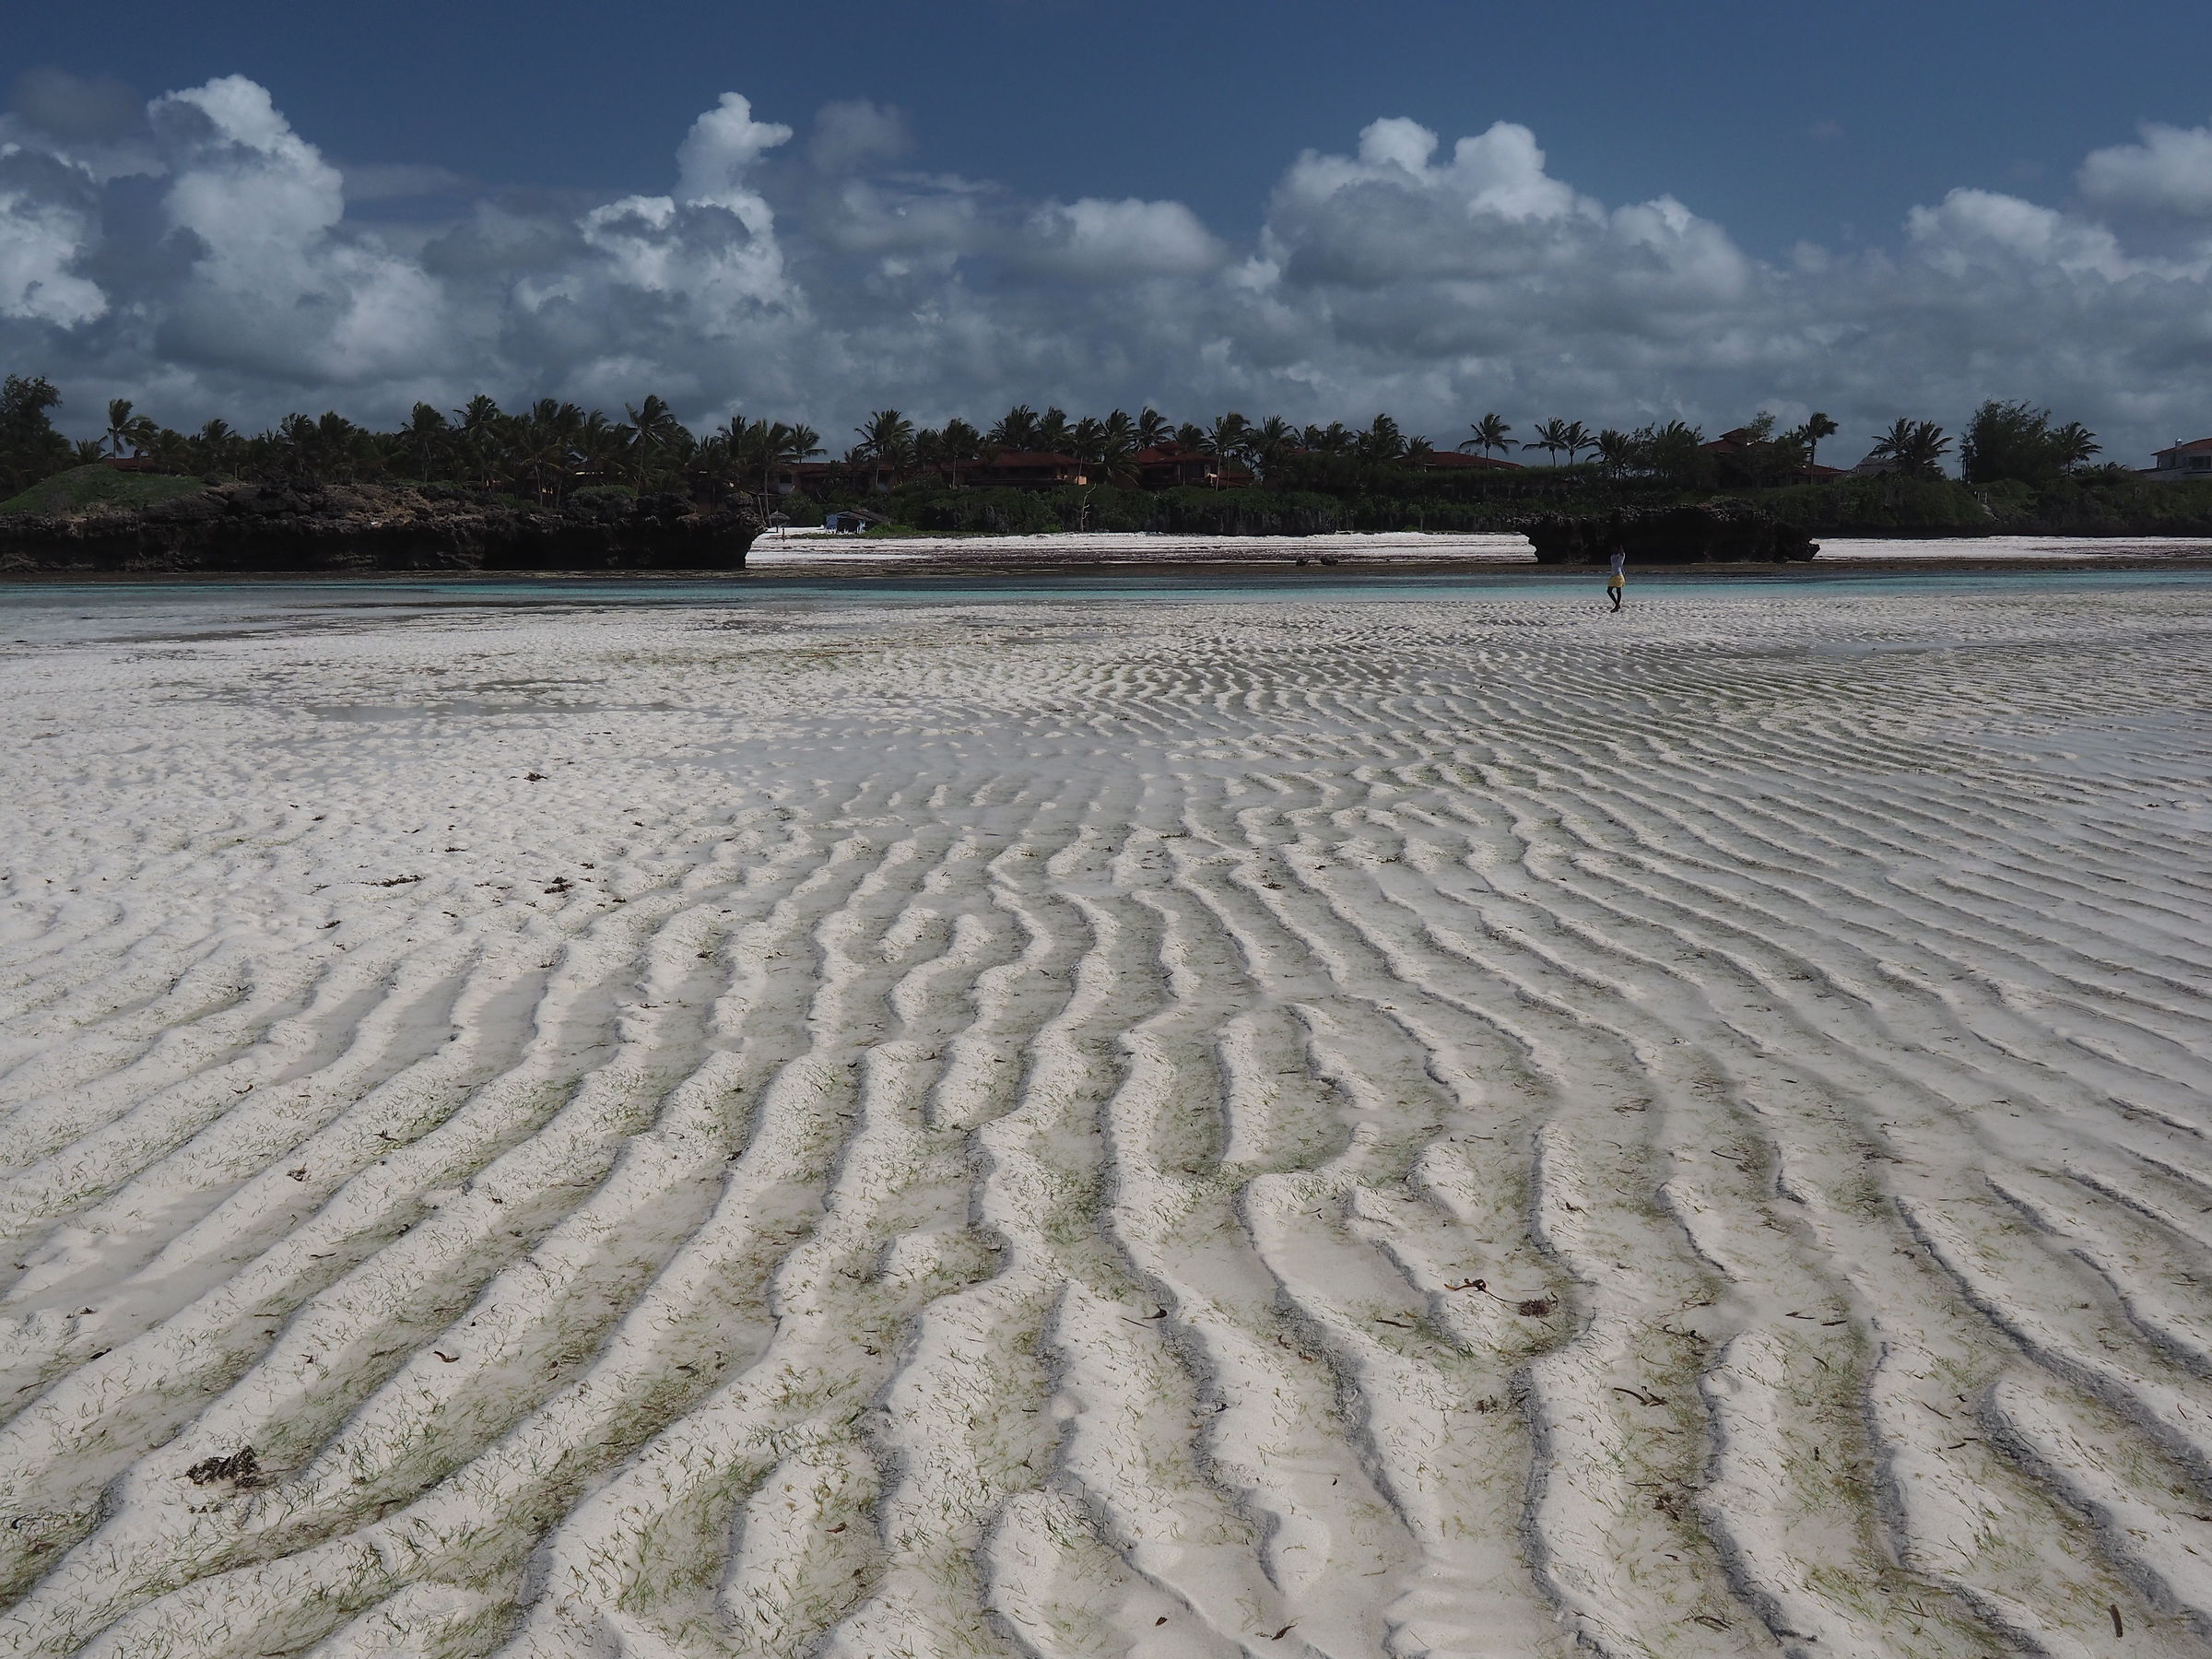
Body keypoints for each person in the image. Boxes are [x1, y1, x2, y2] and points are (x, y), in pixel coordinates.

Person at [1606, 547, 1627, 612]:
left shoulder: (1621, 556)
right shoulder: (1612, 556)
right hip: (1613, 576)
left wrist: (1620, 548)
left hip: (1618, 575)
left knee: (1618, 591)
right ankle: (1617, 604)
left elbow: (1622, 553)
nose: (1613, 549)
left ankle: (1617, 606)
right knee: (1609, 591)